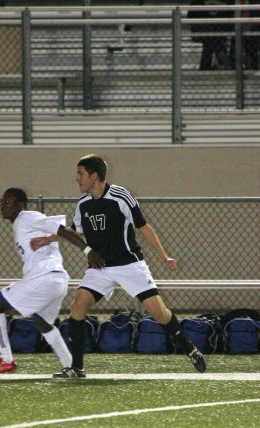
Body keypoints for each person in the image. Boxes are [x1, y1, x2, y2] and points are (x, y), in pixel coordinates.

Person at [31, 155, 207, 378]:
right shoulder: (83, 204)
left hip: (129, 265)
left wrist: (164, 256)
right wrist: (47, 239)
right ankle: (77, 367)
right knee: (77, 307)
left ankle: (187, 347)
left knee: (159, 313)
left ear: (94, 176)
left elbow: (144, 228)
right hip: (100, 268)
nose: (77, 178)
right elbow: (75, 232)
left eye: (80, 174)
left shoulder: (120, 197)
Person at [0, 187, 105, 375]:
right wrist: (47, 240)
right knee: (40, 321)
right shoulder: (21, 224)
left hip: (46, 278)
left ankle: (6, 360)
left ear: (20, 204)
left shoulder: (26, 217)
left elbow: (63, 230)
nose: (2, 206)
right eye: (2, 202)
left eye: (8, 202)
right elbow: (57, 231)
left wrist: (88, 251)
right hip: (55, 280)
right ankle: (72, 365)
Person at [188, 0, 235, 71]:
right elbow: (192, 15)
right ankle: (221, 56)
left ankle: (205, 67)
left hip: (224, 27)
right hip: (207, 29)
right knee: (210, 35)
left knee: (210, 40)